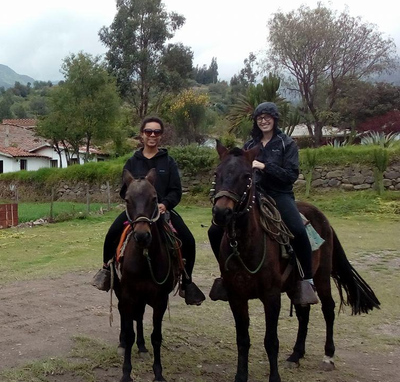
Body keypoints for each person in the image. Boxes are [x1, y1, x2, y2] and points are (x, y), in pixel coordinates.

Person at [208, 102, 318, 305]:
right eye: (260, 118)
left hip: (280, 195)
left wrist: (265, 166)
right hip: (253, 195)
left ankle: (306, 280)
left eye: (268, 117)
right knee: (214, 231)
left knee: (298, 229)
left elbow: (291, 175)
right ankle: (225, 275)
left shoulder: (287, 144)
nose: (264, 120)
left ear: (275, 120)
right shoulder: (249, 146)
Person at [92, 117, 206, 306]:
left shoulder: (168, 162)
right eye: (148, 131)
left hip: (161, 210)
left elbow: (176, 191)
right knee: (112, 233)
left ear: (161, 135)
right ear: (142, 135)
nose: (152, 135)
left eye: (157, 132)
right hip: (137, 213)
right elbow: (124, 191)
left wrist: (165, 204)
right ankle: (107, 271)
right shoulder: (132, 162)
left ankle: (187, 281)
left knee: (188, 239)